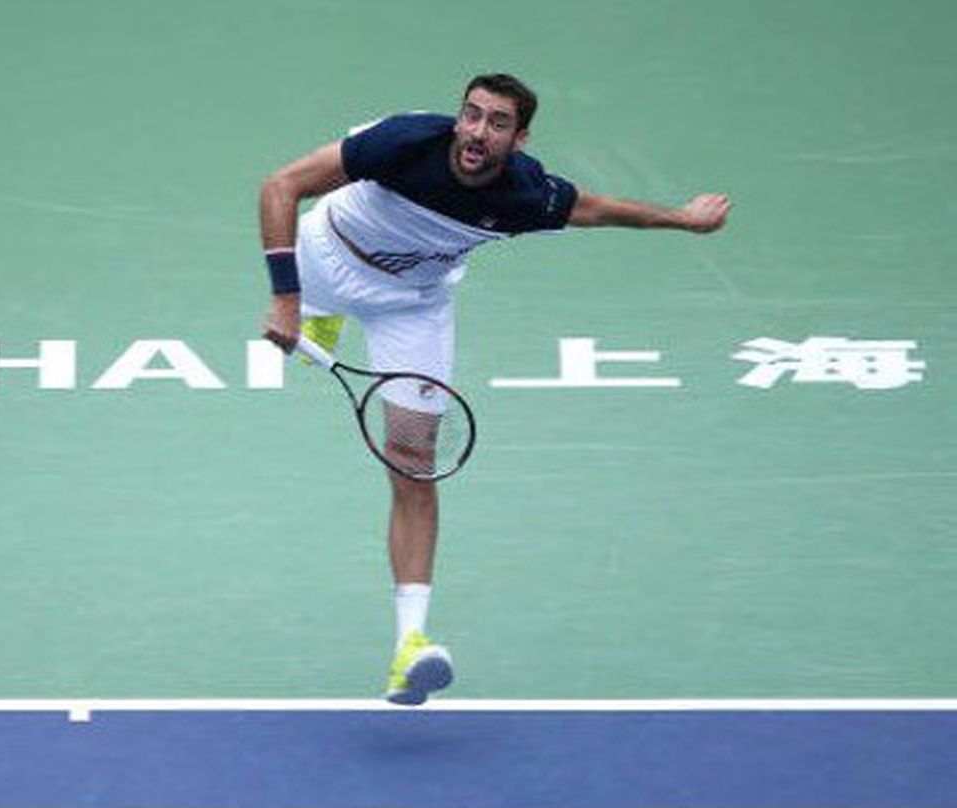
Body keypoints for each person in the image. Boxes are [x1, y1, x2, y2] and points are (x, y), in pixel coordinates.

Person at [257, 73, 730, 705]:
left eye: (497, 122)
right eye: (472, 115)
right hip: (329, 256)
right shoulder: (402, 144)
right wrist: (285, 301)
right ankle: (320, 312)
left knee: (415, 469)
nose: (478, 131)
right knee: (315, 303)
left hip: (413, 306)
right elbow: (280, 186)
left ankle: (409, 647)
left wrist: (685, 220)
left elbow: (599, 210)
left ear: (520, 136)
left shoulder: (524, 194)